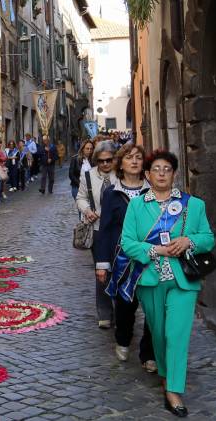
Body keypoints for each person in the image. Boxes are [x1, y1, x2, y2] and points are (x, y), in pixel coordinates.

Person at [120, 150, 214, 417]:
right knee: (159, 333)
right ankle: (165, 373)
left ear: (174, 173)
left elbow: (207, 237)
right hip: (150, 279)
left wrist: (189, 242)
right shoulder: (137, 206)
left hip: (183, 280)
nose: (161, 173)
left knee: (176, 334)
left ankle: (173, 390)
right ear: (148, 175)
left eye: (167, 168)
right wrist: (155, 251)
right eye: (156, 169)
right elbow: (127, 243)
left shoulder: (193, 205)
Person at [95, 145, 156, 373]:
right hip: (122, 261)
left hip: (151, 259)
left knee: (152, 309)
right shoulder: (112, 193)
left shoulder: (154, 191)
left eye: (139, 157)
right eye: (129, 158)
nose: (134, 161)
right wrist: (102, 263)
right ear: (120, 164)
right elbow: (105, 228)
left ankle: (148, 353)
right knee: (125, 309)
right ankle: (122, 339)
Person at [76, 140, 119, 328]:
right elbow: (80, 197)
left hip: (119, 229)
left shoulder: (122, 175)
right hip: (97, 230)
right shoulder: (88, 176)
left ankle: (121, 309)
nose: (105, 164)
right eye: (101, 161)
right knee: (102, 271)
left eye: (109, 160)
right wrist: (87, 210)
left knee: (120, 269)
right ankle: (105, 312)